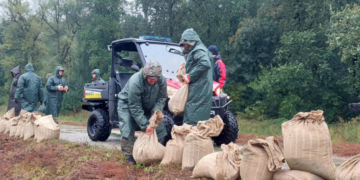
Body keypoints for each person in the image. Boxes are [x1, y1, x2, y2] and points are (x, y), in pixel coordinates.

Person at [117, 61, 167, 165]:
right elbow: (135, 106)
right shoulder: (136, 81)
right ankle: (129, 157)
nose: (153, 81)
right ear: (145, 75)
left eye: (155, 79)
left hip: (148, 105)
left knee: (160, 128)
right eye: (151, 79)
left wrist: (155, 113)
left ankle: (153, 153)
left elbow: (161, 98)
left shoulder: (162, 80)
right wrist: (145, 125)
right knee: (127, 127)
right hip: (127, 104)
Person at [179, 28, 213, 125]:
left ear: (190, 41)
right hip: (201, 88)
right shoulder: (201, 49)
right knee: (200, 118)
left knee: (192, 115)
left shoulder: (198, 50)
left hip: (198, 89)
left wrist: (190, 76)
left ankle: (190, 137)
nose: (184, 46)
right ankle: (195, 137)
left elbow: (205, 63)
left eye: (185, 44)